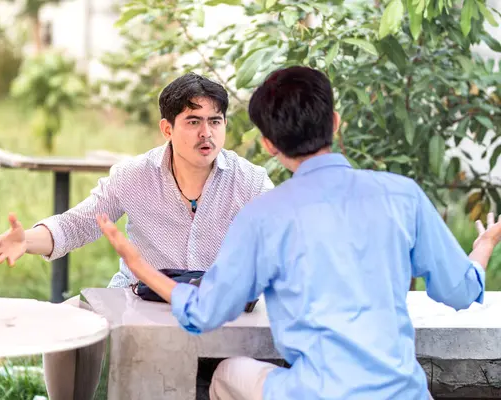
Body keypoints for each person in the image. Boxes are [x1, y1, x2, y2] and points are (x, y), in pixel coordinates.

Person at [96, 66, 501, 400]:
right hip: (406, 393)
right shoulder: (402, 195)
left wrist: (139, 266)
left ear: (270, 145)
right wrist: (482, 247)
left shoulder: (264, 215)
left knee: (226, 376)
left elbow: (204, 313)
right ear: (336, 124)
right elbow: (462, 291)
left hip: (314, 392)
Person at [0, 72, 274, 399]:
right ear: (167, 128)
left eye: (215, 121)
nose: (206, 133)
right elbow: (78, 223)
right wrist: (28, 240)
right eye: (193, 121)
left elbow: (284, 236)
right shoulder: (134, 175)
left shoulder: (250, 181)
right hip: (138, 300)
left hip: (218, 307)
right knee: (64, 322)